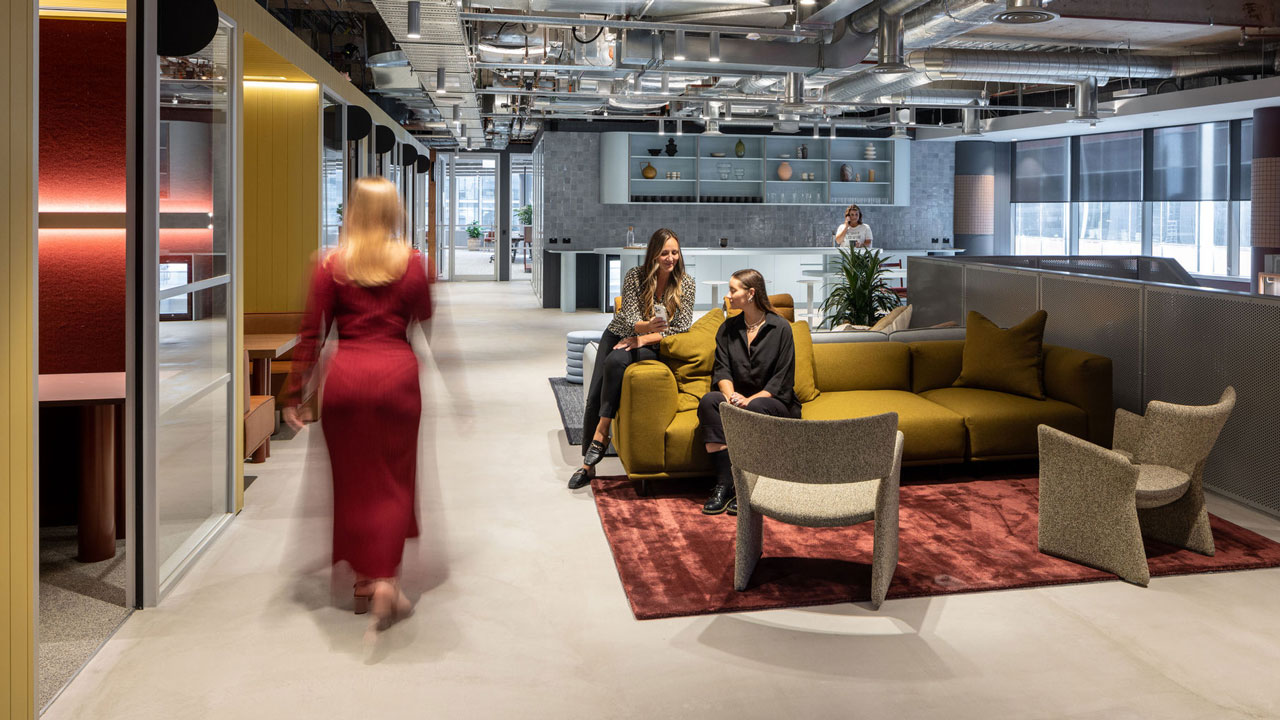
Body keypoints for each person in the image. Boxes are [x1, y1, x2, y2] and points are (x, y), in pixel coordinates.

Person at [282, 176, 431, 639]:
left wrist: (295, 393)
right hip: (397, 379)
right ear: (394, 214)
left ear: (351, 211)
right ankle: (386, 577)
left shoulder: (329, 265)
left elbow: (312, 334)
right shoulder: (412, 263)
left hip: (346, 381)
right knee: (392, 481)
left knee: (354, 483)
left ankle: (366, 581)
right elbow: (425, 321)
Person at [570, 228, 697, 490]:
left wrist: (643, 338)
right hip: (619, 334)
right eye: (664, 253)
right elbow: (627, 318)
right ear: (653, 255)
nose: (670, 258)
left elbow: (682, 326)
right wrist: (644, 327)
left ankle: (602, 434)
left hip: (651, 342)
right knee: (597, 392)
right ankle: (588, 466)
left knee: (618, 362)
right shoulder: (635, 277)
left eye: (674, 252)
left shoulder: (687, 283)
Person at [697, 269, 801, 515]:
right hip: (738, 398)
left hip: (773, 403)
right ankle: (725, 484)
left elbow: (781, 381)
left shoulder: (780, 328)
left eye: (734, 290)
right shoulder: (727, 328)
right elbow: (721, 371)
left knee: (755, 408)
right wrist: (731, 397)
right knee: (710, 402)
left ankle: (750, 488)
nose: (729, 295)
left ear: (751, 293)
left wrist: (750, 400)